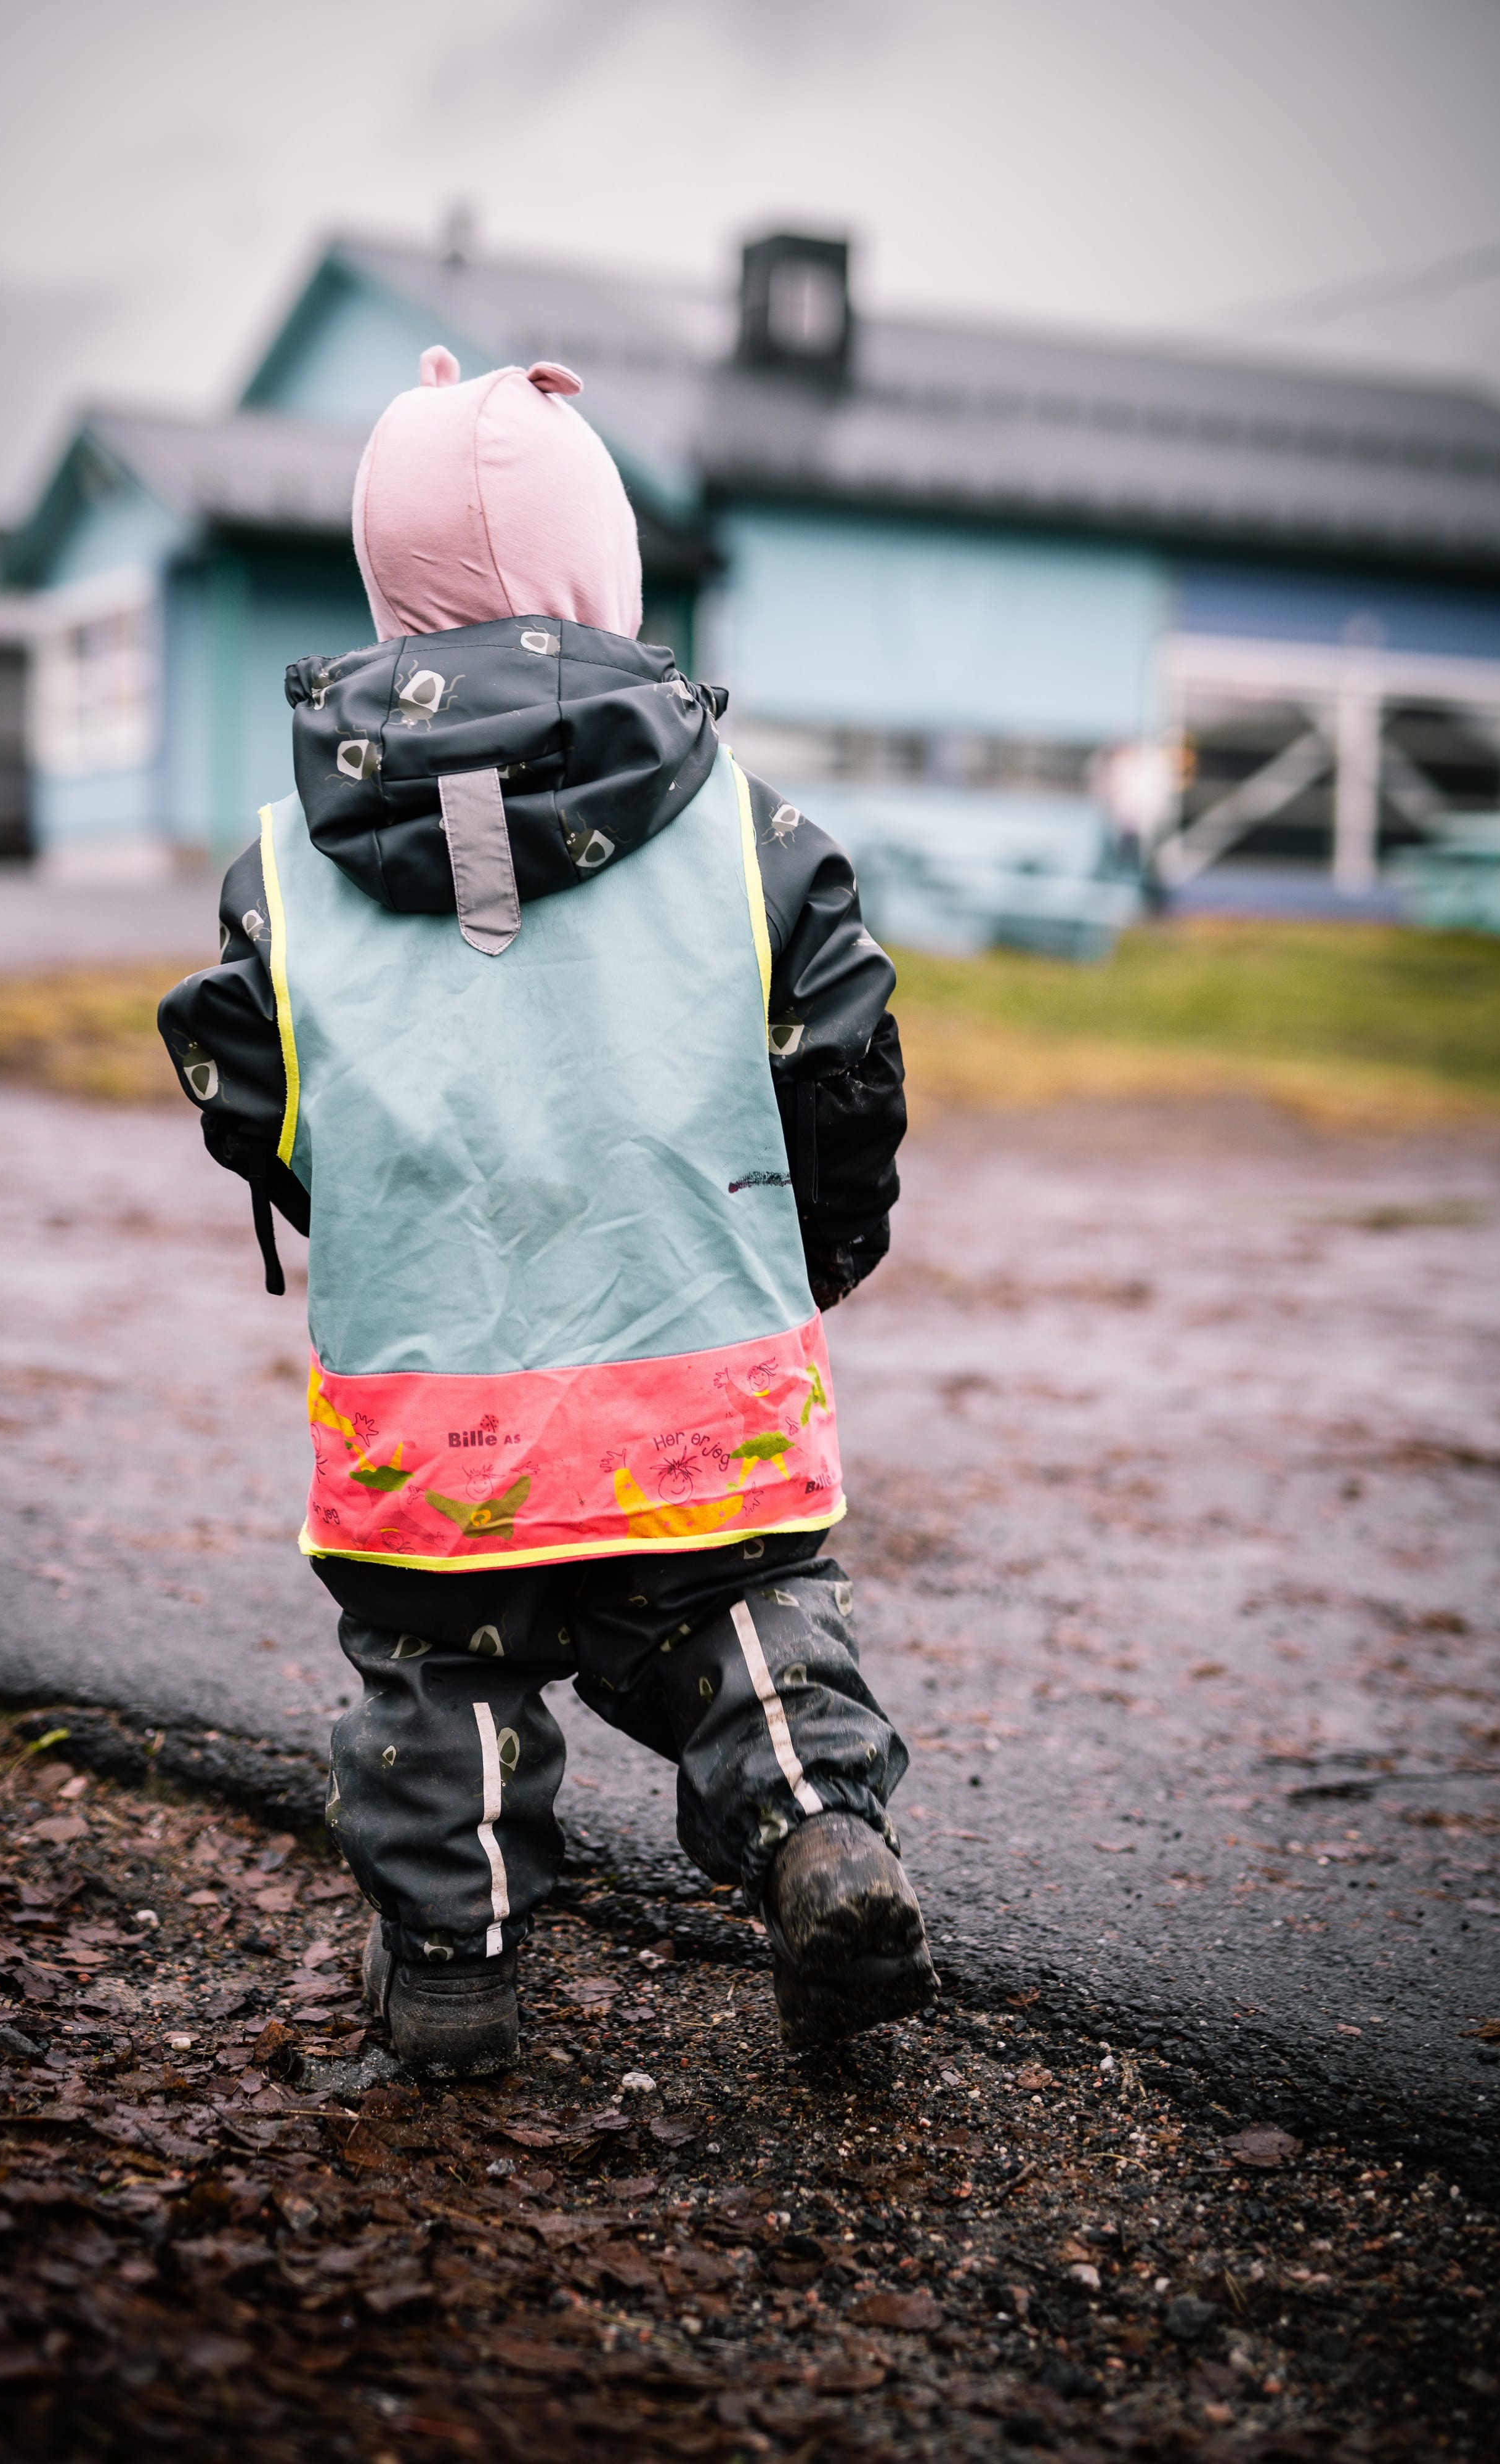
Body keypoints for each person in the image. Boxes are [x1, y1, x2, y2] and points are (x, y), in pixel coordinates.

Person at [158, 346, 934, 2075]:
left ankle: (452, 1966)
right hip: (696, 1357)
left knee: (443, 1673)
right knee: (740, 1619)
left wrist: (343, 1206)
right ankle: (818, 1830)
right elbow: (843, 1061)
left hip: (428, 1389)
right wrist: (822, 1250)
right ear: (608, 574)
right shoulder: (750, 830)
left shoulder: (285, 860)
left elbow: (251, 1095)